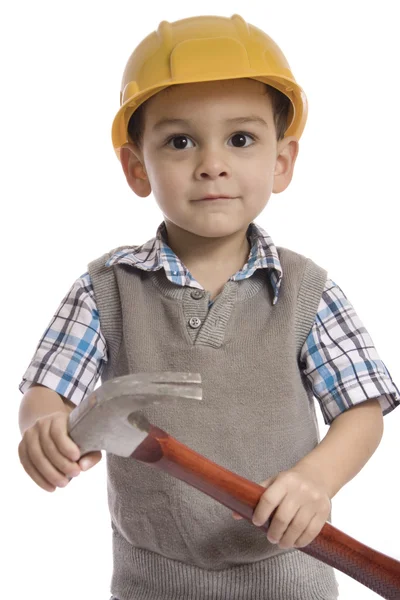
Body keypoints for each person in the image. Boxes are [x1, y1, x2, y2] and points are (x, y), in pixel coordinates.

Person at [17, 14, 399, 600]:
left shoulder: (306, 290)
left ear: (282, 160)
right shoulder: (105, 289)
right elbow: (49, 391)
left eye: (240, 139)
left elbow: (362, 412)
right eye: (179, 141)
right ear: (136, 166)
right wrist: (44, 428)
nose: (211, 163)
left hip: (288, 578)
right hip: (153, 581)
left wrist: (315, 481)